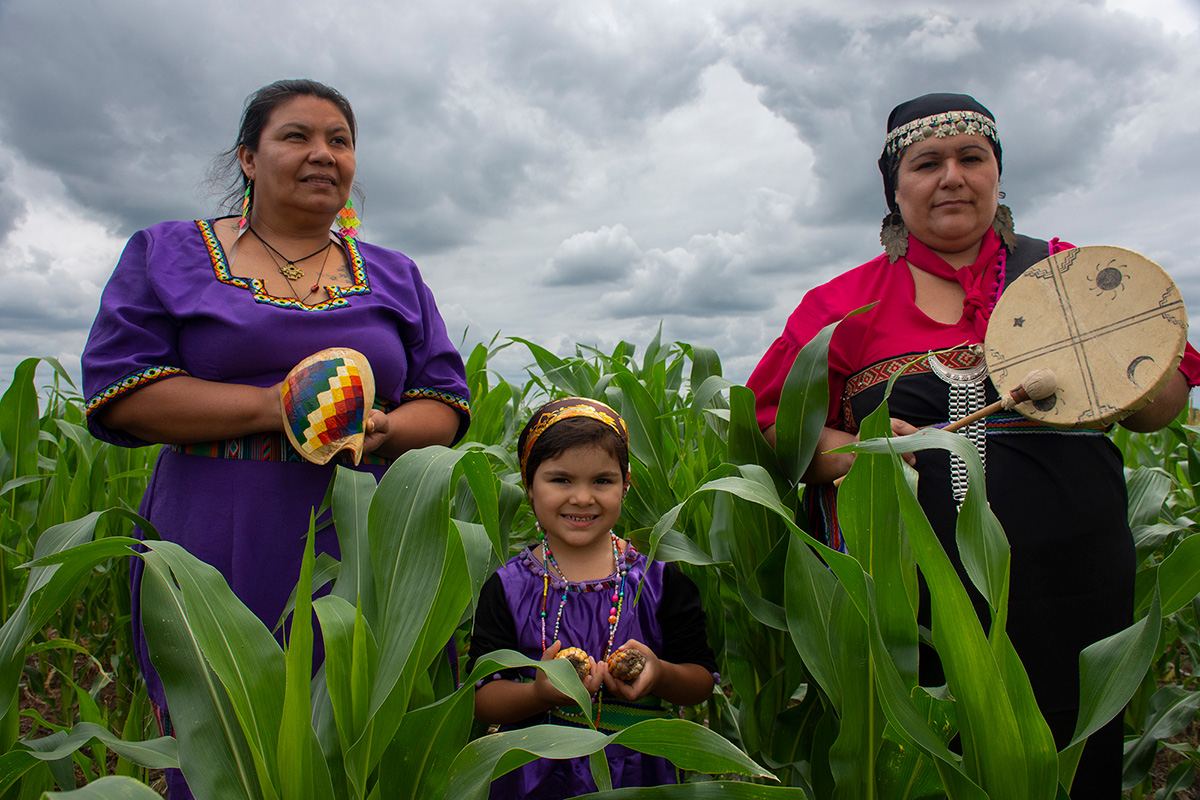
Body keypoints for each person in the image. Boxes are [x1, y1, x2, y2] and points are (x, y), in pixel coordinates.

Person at [747, 92, 1200, 797]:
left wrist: (1123, 366)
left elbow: (1161, 408)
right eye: (927, 163)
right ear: (894, 189)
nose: (952, 177)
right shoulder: (841, 307)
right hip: (909, 599)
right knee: (927, 761)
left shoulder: (1070, 276)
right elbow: (774, 424)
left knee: (1071, 753)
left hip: (1072, 584)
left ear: (997, 174)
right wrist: (857, 451)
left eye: (971, 158)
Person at [81, 79, 469, 799]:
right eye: (297, 136)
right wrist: (279, 407)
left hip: (363, 534)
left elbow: (443, 401)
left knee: (364, 734)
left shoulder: (394, 274)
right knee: (229, 744)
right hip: (218, 533)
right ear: (249, 158)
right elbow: (123, 391)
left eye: (339, 141)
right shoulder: (169, 253)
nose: (323, 153)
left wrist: (382, 427)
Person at [468, 398, 718, 799]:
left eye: (602, 481)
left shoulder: (660, 583)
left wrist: (659, 673)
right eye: (561, 480)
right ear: (529, 485)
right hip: (533, 775)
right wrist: (538, 693)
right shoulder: (507, 588)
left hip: (638, 773)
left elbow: (700, 679)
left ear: (626, 484)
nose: (583, 498)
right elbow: (482, 698)